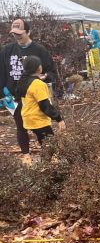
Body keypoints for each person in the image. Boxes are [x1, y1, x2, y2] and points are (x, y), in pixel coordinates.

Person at [0, 18, 57, 162]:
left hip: (34, 97)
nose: (17, 36)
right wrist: (2, 93)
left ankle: (49, 156)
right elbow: (1, 72)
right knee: (20, 126)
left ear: (28, 32)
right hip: (14, 97)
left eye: (20, 33)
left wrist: (45, 77)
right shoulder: (7, 50)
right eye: (14, 34)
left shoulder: (39, 50)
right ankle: (26, 156)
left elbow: (51, 71)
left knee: (41, 126)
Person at [13, 55, 65, 144]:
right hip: (38, 119)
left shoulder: (23, 81)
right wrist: (59, 119)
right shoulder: (37, 84)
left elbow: (19, 96)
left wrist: (37, 79)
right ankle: (48, 153)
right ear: (38, 68)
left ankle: (46, 152)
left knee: (44, 142)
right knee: (50, 145)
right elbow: (45, 105)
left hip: (28, 118)